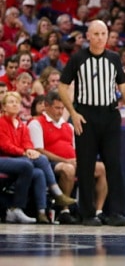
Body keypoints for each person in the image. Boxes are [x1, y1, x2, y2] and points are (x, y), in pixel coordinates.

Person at [58, 20, 125, 226]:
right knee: (85, 165)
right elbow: (62, 87)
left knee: (114, 164)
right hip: (85, 115)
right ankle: (87, 213)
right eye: (96, 34)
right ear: (89, 36)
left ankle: (117, 212)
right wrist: (73, 113)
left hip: (110, 115)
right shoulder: (78, 58)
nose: (100, 37)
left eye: (104, 33)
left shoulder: (113, 58)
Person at [28, 90, 109, 225]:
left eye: (62, 108)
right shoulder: (36, 123)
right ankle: (64, 211)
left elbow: (76, 149)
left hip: (72, 161)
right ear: (46, 106)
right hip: (49, 164)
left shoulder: (69, 126)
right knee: (68, 169)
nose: (60, 112)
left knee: (101, 168)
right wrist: (65, 160)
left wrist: (82, 160)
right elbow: (39, 150)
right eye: (56, 108)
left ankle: (98, 212)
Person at [0, 91, 76, 223]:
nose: (15, 104)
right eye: (11, 102)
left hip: (19, 159)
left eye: (17, 102)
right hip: (4, 159)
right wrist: (25, 153)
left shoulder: (21, 124)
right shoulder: (1, 123)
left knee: (39, 172)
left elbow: (27, 142)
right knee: (32, 162)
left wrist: (29, 149)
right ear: (4, 107)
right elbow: (5, 145)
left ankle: (41, 213)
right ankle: (57, 193)